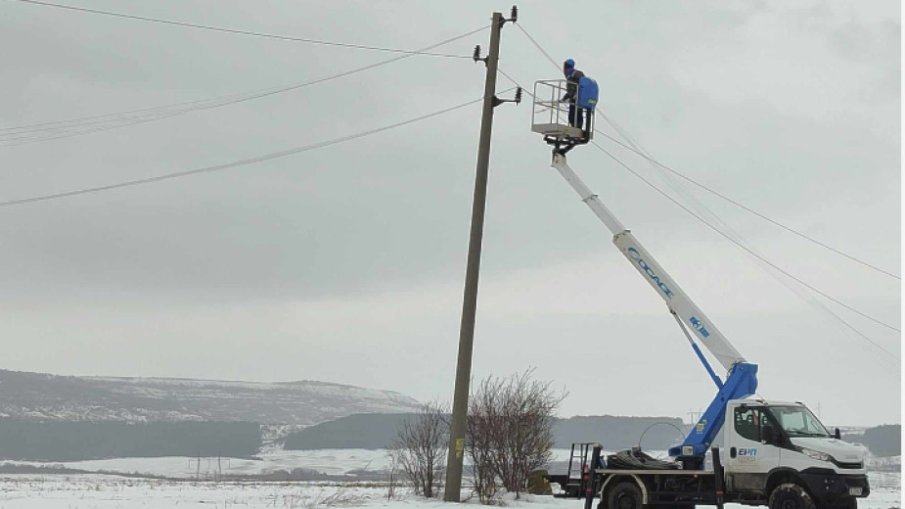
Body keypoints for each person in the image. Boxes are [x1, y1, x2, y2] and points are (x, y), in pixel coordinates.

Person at [560, 58, 585, 129]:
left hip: (579, 98)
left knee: (577, 115)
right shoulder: (570, 77)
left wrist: (577, 94)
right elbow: (570, 91)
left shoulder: (577, 74)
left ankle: (578, 128)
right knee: (571, 116)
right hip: (573, 99)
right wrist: (564, 99)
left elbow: (582, 85)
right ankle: (574, 127)